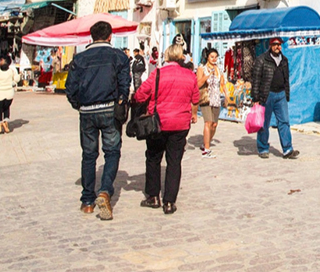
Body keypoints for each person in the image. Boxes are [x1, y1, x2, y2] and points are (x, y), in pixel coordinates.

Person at [64, 21, 131, 221]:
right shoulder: (119, 56)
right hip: (110, 110)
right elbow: (124, 85)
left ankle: (87, 201)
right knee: (111, 152)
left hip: (87, 113)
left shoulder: (80, 58)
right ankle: (104, 191)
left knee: (89, 155)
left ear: (91, 37)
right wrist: (121, 102)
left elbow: (70, 88)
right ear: (110, 36)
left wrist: (79, 104)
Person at [135, 44, 200, 215]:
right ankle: (169, 201)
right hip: (180, 124)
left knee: (153, 158)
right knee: (174, 161)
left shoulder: (158, 73)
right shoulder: (189, 75)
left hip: (158, 122)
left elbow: (140, 94)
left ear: (167, 57)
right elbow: (195, 98)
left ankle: (153, 196)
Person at [251, 37, 298, 159]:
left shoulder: (284, 60)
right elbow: (255, 80)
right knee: (264, 123)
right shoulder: (261, 60)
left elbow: (286, 79)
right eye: (275, 44)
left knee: (284, 122)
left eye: (280, 45)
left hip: (281, 95)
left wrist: (286, 94)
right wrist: (256, 97)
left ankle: (287, 149)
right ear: (270, 45)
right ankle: (263, 148)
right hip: (267, 95)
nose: (278, 47)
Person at [196, 49, 223, 157]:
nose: (214, 59)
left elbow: (222, 83)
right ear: (207, 57)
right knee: (208, 122)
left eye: (216, 57)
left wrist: (227, 96)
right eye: (212, 56)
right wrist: (206, 77)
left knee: (214, 124)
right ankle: (206, 149)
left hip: (216, 97)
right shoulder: (201, 68)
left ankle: (206, 142)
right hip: (206, 98)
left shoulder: (218, 68)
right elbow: (197, 84)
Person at [0, 55, 21, 135]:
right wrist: (19, 75)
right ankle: (5, 123)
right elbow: (16, 79)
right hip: (9, 94)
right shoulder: (11, 70)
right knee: (6, 109)